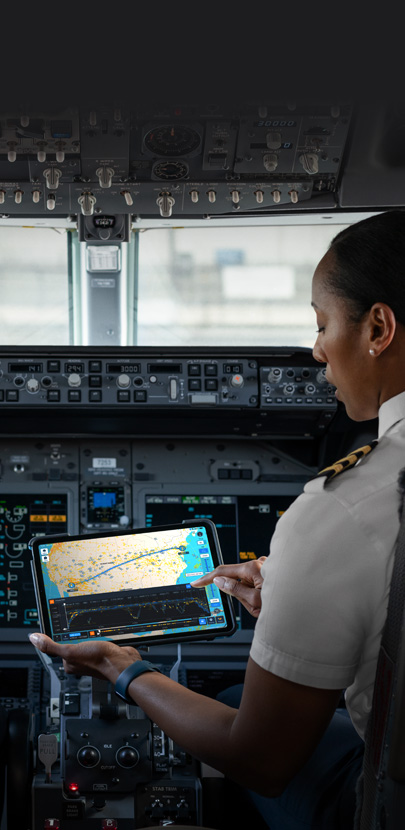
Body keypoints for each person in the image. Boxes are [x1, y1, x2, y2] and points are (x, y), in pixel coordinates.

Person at [29, 210, 405, 829]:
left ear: (378, 327)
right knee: (236, 698)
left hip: (382, 803)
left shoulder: (342, 506)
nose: (316, 350)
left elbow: (257, 759)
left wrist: (120, 666)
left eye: (322, 324)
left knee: (233, 710)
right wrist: (302, 598)